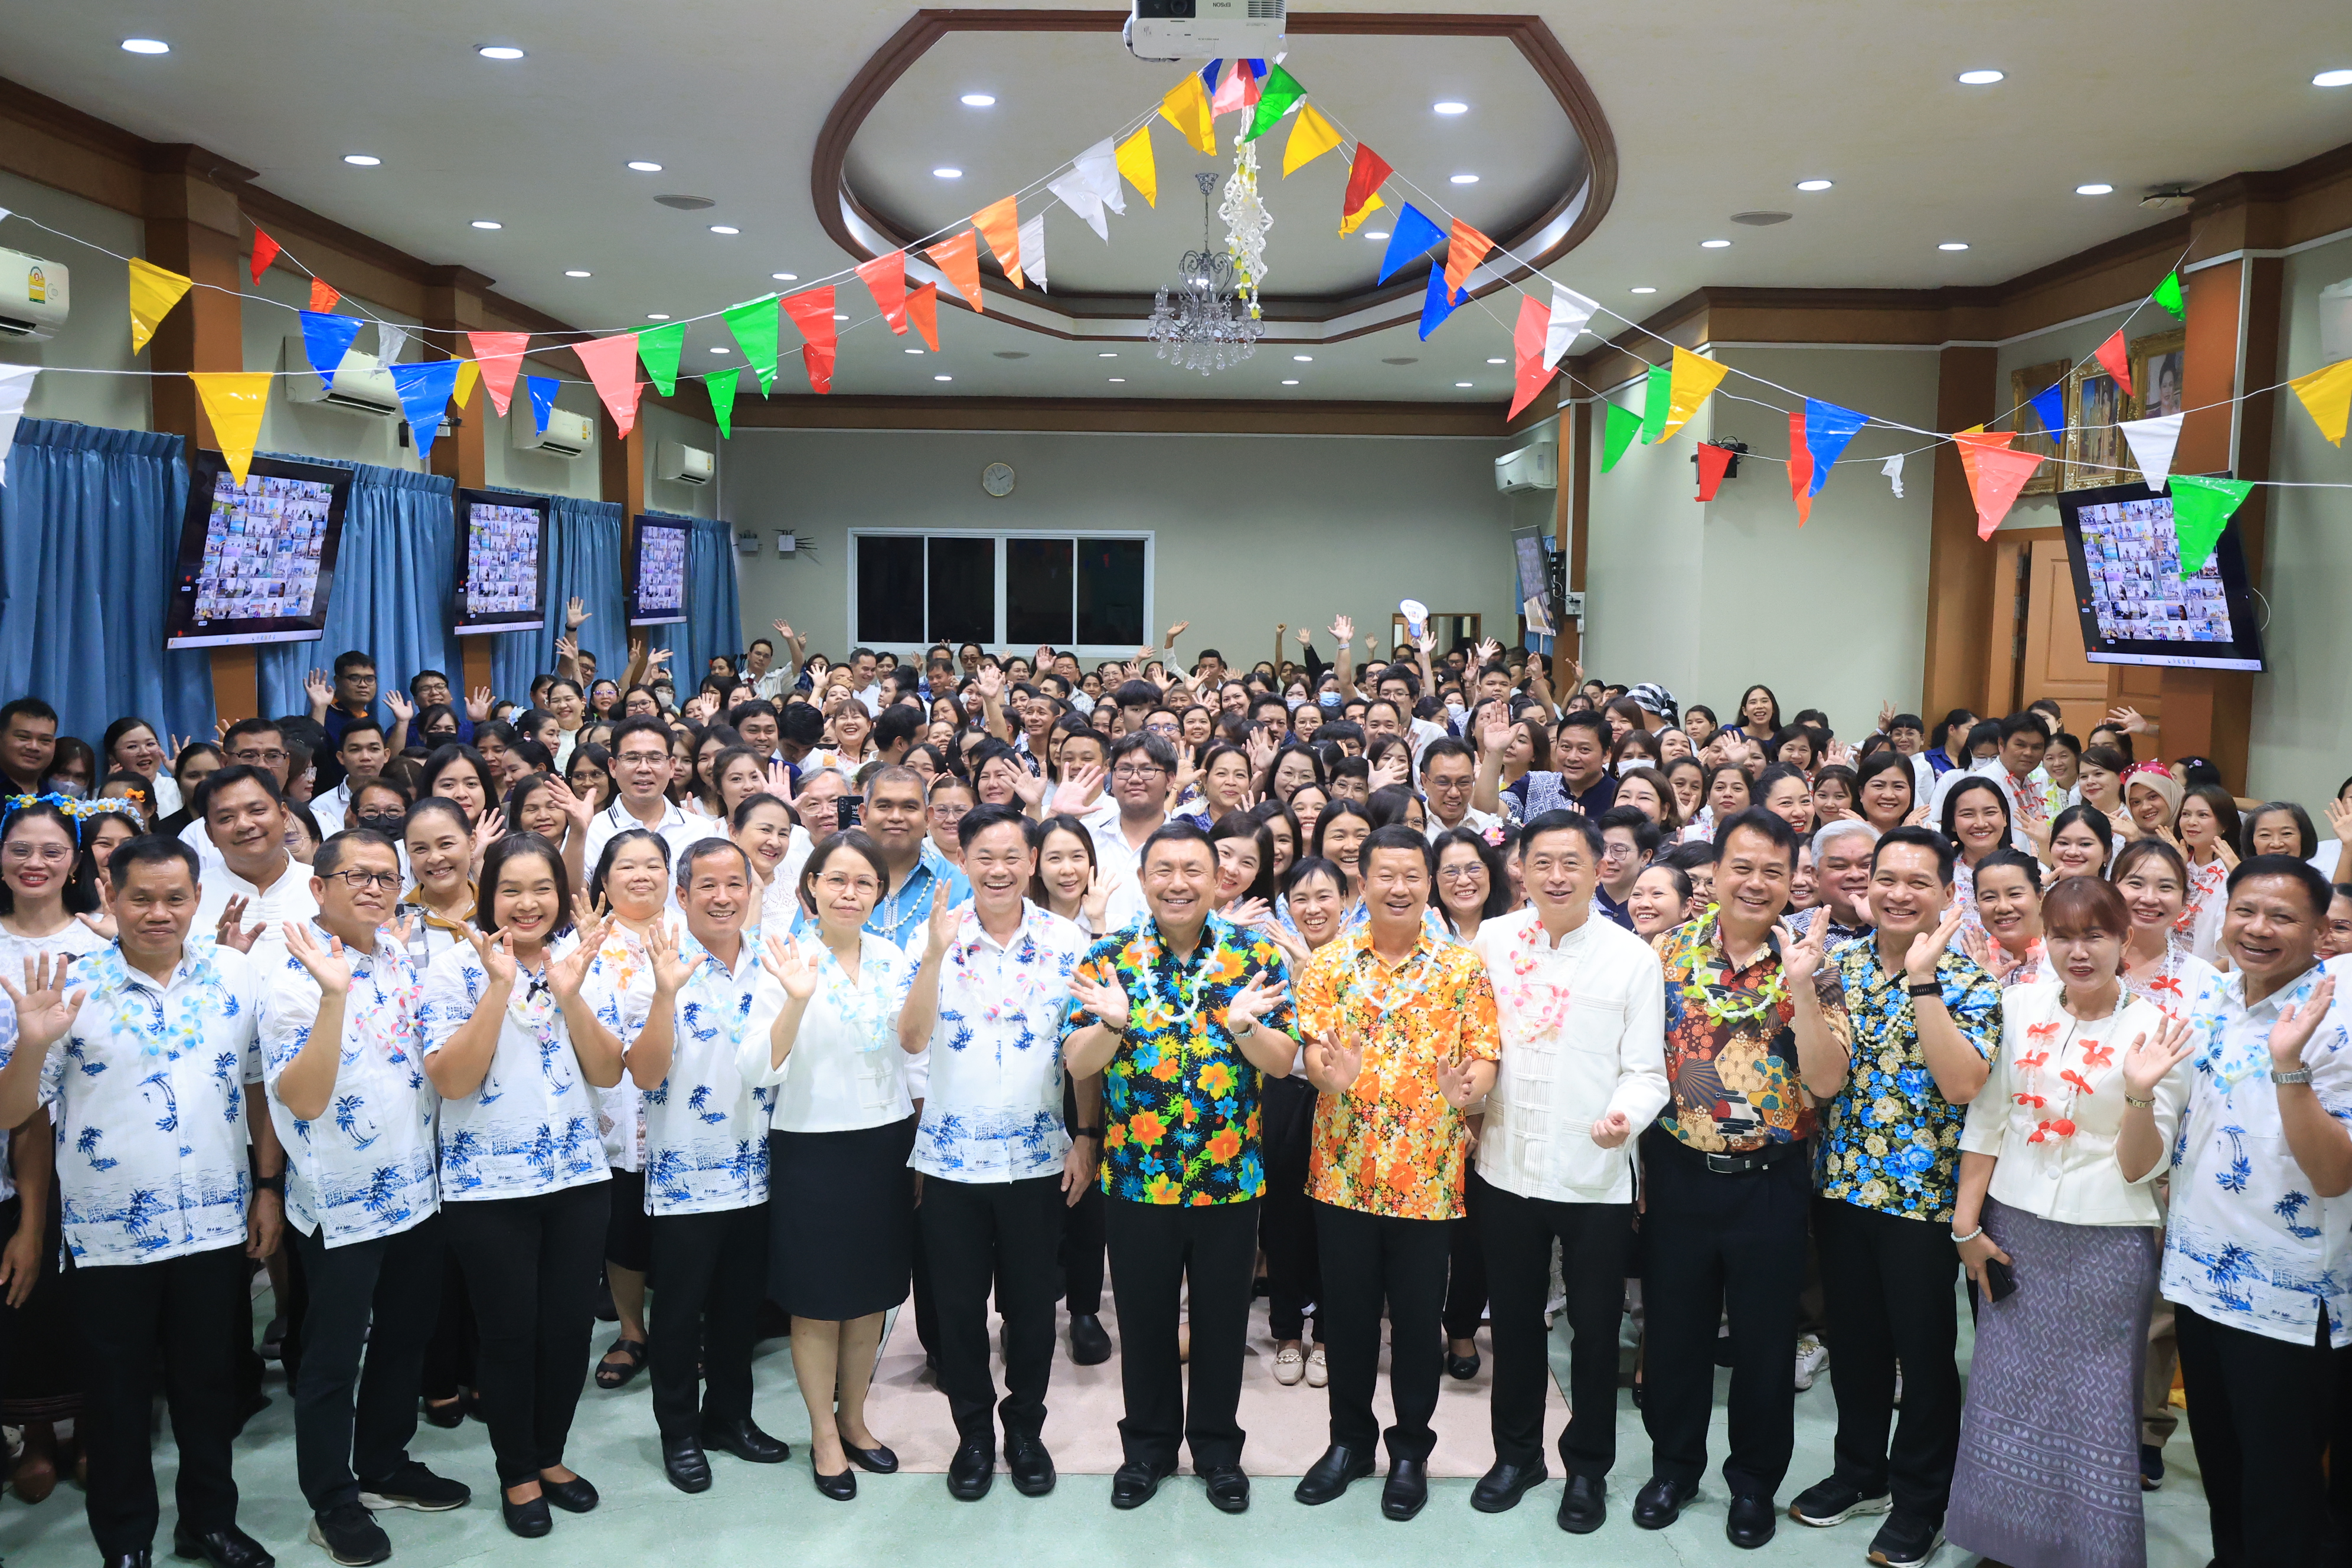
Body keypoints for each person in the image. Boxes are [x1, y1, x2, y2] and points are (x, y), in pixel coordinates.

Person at [0, 835, 284, 1568]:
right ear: (111, 898)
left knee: (208, 1390)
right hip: (107, 1236)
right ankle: (125, 1541)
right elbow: (14, 1113)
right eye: (141, 898)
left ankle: (209, 1523)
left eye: (175, 897)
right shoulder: (71, 987)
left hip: (215, 1226)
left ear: (196, 897)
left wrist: (266, 1188)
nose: (159, 912)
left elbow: (257, 1087)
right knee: (118, 1399)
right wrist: (30, 1044)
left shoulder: (234, 974)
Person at [1944, 875, 2192, 1568]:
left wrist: (2140, 1097)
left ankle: (2088, 1552)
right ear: (2042, 940)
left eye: (2095, 935)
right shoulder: (2017, 1003)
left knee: (2093, 1404)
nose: (2078, 950)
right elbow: (1987, 1120)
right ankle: (2006, 1542)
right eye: (2062, 935)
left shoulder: (2158, 1029)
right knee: (2006, 1389)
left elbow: (2143, 1167)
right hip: (2015, 1227)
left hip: (2107, 1243)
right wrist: (1967, 1228)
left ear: (2126, 940)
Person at [1063, 822, 1295, 1513]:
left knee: (1224, 1322)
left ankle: (1219, 1451)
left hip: (1229, 1181)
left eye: (1193, 869)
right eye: (1163, 870)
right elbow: (1076, 1064)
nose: (1178, 883)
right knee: (1144, 1319)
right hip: (1137, 1178)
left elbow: (1285, 1063)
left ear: (1218, 877)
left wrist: (1247, 1026)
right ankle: (1148, 1449)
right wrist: (1110, 1022)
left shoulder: (1253, 956)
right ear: (1142, 880)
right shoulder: (1109, 956)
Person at [1786, 825, 2000, 1568]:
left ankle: (1921, 1499)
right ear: (1864, 886)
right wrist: (1802, 990)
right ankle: (1860, 1471)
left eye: (1919, 881)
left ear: (1948, 893)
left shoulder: (1972, 981)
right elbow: (1824, 1079)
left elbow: (1963, 1084)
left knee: (1925, 1351)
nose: (1899, 892)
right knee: (1858, 1342)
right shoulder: (1834, 965)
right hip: (1842, 1185)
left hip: (1922, 1201)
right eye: (1886, 878)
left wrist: (1923, 978)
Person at [261, 830, 470, 1564]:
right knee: (332, 1356)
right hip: (340, 1200)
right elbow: (303, 1098)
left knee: (407, 1334)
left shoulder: (399, 955)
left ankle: (383, 1463)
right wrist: (330, 995)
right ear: (319, 886)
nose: (376, 888)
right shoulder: (289, 971)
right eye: (358, 875)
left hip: (415, 1186)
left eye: (388, 876)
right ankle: (332, 1497)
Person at [1464, 810, 1667, 1530]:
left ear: (1599, 868)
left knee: (1593, 1327)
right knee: (1515, 1321)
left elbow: (1648, 1071)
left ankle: (1587, 1468)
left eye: (1571, 863)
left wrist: (1624, 1116)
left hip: (1594, 1175)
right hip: (1506, 1167)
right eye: (1542, 862)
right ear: (1520, 866)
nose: (1556, 876)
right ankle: (1516, 1456)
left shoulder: (1632, 957)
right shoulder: (1490, 941)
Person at [1291, 825, 1499, 1521]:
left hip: (1429, 1178)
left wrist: (1467, 1091)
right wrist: (1331, 1073)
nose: (1401, 887)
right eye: (1386, 875)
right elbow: (1315, 1056)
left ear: (1431, 882)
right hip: (1344, 1173)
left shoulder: (1460, 967)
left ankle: (1410, 1450)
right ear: (1362, 884)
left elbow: (1484, 1055)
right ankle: (1349, 1442)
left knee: (1415, 1325)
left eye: (1415, 875)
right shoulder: (1329, 965)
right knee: (1348, 1320)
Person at [418, 834, 621, 1538]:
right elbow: (451, 1079)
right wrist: (499, 986)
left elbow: (607, 1071)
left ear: (560, 897)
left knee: (566, 1331)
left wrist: (570, 995)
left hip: (577, 1178)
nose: (526, 903)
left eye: (541, 888)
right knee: (509, 1333)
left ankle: (550, 1454)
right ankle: (516, 1469)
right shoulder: (451, 969)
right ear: (488, 894)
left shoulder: (581, 963)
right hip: (487, 1186)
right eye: (511, 889)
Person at [891, 805, 1093, 1502]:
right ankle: (973, 1433)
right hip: (951, 1161)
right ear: (964, 860)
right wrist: (932, 956)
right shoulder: (936, 936)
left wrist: (1087, 1137)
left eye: (1013, 855)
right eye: (985, 856)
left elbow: (1085, 1055)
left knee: (1035, 1308)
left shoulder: (1068, 940)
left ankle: (1027, 1429)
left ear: (1032, 861)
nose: (1000, 869)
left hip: (1039, 1157)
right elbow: (912, 1040)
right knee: (957, 1308)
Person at [2159, 855, 2352, 1566]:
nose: (2259, 928)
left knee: (2284, 1488)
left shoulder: (2338, 1015)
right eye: (2246, 910)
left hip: (2289, 1298)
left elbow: (2334, 1174)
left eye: (2283, 916)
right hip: (2198, 1276)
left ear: (2320, 930)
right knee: (2224, 1469)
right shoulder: (2210, 996)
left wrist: (2290, 1065)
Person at [1637, 808, 1810, 1550]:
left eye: (1774, 869)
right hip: (1678, 1169)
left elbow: (1827, 1079)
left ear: (1792, 878)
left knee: (1766, 1344)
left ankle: (1753, 1483)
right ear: (1715, 873)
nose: (1756, 882)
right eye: (1743, 866)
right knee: (1675, 1332)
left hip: (1771, 1177)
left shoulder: (1812, 962)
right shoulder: (1665, 952)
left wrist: (1803, 988)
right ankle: (1674, 1467)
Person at [745, 830, 919, 1500]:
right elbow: (757, 1067)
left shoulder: (892, 956)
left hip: (883, 1143)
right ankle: (822, 1432)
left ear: (879, 894)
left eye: (864, 883)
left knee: (870, 1296)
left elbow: (912, 1046)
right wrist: (794, 997)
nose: (850, 893)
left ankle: (856, 1419)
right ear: (809, 886)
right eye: (837, 879)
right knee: (818, 1302)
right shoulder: (782, 958)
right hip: (811, 1146)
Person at [624, 839, 790, 1493]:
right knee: (679, 1311)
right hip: (686, 1172)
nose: (724, 897)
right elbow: (644, 1071)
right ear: (683, 895)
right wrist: (666, 995)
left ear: (751, 891)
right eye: (708, 886)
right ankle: (679, 1431)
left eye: (735, 884)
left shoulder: (773, 967)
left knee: (739, 1307)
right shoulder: (653, 965)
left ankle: (730, 1418)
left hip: (760, 1169)